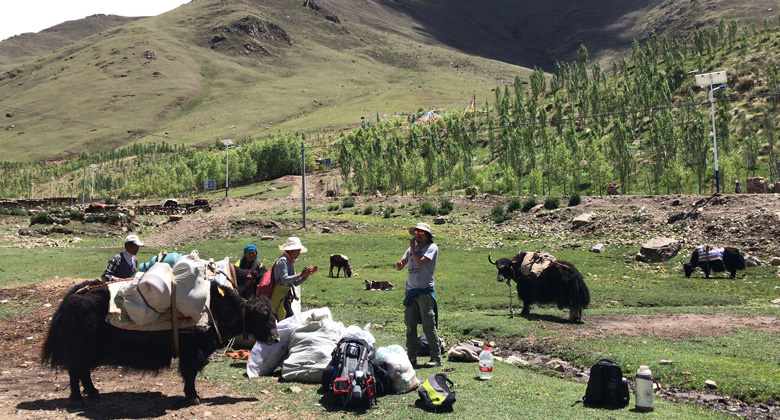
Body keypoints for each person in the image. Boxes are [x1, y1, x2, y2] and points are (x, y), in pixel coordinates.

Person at [395, 222, 440, 367]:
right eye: (416, 233)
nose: (418, 236)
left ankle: (435, 358)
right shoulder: (411, 249)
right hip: (411, 291)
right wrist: (400, 264)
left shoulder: (432, 248)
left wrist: (412, 250)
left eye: (421, 234)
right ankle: (411, 357)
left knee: (428, 326)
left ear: (427, 235)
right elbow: (403, 263)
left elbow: (420, 262)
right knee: (410, 325)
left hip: (424, 291)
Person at [270, 237, 318, 320]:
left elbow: (295, 283)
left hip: (286, 296)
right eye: (298, 251)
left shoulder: (290, 261)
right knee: (287, 320)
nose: (299, 253)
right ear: (291, 250)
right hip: (279, 297)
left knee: (288, 320)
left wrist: (306, 275)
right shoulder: (283, 261)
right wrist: (301, 274)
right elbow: (284, 279)